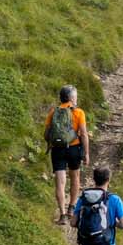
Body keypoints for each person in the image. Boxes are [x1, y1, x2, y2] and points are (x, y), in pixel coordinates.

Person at [43, 85, 88, 224]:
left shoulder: (53, 112)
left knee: (60, 183)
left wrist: (53, 142)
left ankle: (62, 214)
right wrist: (86, 153)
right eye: (75, 96)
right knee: (75, 178)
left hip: (58, 150)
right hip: (74, 148)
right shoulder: (78, 112)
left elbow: (46, 134)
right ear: (70, 98)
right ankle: (71, 208)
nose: (76, 98)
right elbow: (84, 134)